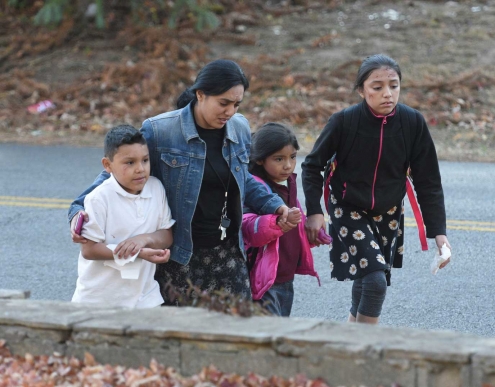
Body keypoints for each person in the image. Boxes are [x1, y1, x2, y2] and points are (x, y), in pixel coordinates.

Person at [69, 59, 291, 304]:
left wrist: (274, 204)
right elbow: (114, 175)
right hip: (181, 255)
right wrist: (78, 209)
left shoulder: (239, 128)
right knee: (181, 335)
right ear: (201, 95)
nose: (230, 112)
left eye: (237, 104)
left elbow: (242, 179)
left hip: (228, 253)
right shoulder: (161, 130)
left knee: (232, 333)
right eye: (224, 103)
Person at [301, 54, 452, 324]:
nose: (387, 94)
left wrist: (438, 233)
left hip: (389, 209)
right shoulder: (343, 122)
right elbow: (312, 166)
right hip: (347, 206)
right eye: (377, 86)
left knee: (368, 276)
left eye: (394, 86)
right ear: (362, 90)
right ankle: (364, 349)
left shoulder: (412, 122)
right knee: (375, 280)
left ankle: (348, 340)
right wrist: (315, 211)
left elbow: (428, 179)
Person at [72, 125, 175, 308]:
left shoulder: (156, 187)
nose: (140, 169)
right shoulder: (99, 198)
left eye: (145, 160)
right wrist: (138, 254)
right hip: (99, 301)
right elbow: (89, 250)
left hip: (146, 298)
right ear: (107, 165)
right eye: (130, 162)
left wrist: (144, 239)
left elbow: (166, 234)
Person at [242, 123, 323, 316]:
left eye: (293, 157)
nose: (288, 165)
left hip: (285, 276)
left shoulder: (287, 184)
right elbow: (247, 228)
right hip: (264, 280)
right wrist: (275, 224)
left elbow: (296, 220)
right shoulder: (256, 188)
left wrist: (312, 231)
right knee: (269, 335)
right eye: (279, 159)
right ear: (260, 159)